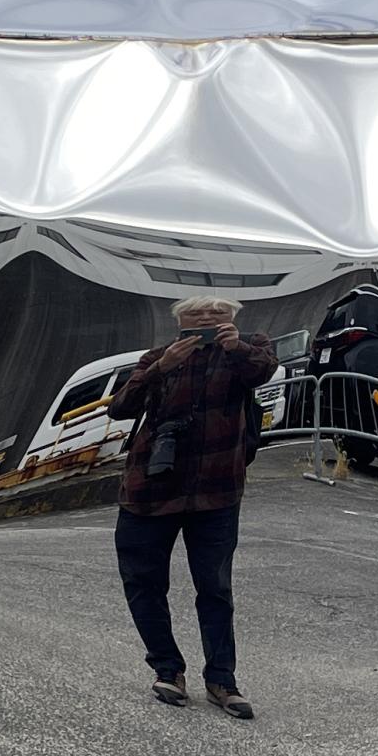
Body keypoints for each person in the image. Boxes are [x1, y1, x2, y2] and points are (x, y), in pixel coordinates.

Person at [109, 294, 277, 719]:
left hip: (217, 491)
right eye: (197, 313)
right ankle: (167, 669)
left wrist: (236, 348)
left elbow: (262, 371)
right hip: (150, 490)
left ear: (233, 318)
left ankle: (222, 681)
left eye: (217, 312)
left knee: (215, 588)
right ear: (180, 321)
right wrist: (162, 368)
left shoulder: (250, 347)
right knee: (144, 582)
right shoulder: (158, 357)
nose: (207, 317)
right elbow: (120, 407)